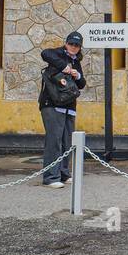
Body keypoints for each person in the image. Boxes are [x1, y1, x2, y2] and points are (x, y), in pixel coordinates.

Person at [38, 31, 86, 188]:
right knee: (54, 141)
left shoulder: (77, 61)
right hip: (52, 104)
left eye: (77, 45)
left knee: (67, 142)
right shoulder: (57, 54)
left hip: (69, 106)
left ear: (80, 47)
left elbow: (81, 84)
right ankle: (51, 177)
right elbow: (45, 53)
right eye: (71, 44)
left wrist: (77, 75)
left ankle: (63, 173)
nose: (73, 47)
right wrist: (64, 67)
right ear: (66, 43)